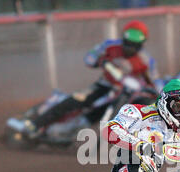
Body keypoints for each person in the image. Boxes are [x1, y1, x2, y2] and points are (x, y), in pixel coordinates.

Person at [23, 20, 158, 138]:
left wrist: (149, 90)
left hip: (124, 94)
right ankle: (36, 124)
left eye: (135, 45)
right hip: (103, 85)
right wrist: (100, 61)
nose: (130, 48)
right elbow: (90, 57)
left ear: (142, 44)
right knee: (78, 99)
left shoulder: (145, 61)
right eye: (128, 43)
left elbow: (153, 81)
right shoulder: (110, 46)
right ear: (123, 39)